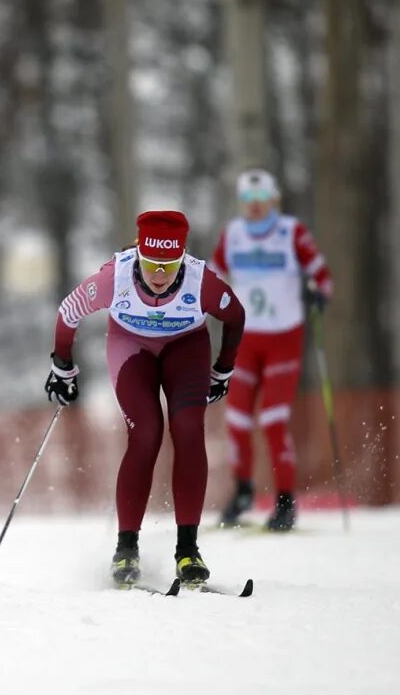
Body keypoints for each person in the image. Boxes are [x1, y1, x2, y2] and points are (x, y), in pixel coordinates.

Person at [45, 211, 245, 588]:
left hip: (185, 347)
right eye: (151, 264)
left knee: (188, 429)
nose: (158, 275)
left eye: (169, 266)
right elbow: (68, 312)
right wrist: (62, 369)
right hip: (131, 347)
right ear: (138, 254)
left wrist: (223, 370)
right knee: (146, 433)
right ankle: (126, 551)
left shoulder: (201, 281)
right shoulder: (114, 277)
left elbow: (235, 316)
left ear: (182, 258)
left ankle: (188, 550)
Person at [209, 168, 332, 531]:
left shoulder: (291, 232)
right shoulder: (232, 235)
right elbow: (213, 275)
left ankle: (284, 500)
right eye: (247, 201)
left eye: (261, 200)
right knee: (237, 420)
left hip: (283, 338)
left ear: (274, 200)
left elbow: (322, 275)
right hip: (245, 339)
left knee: (273, 420)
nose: (255, 208)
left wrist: (318, 294)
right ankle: (243, 490)